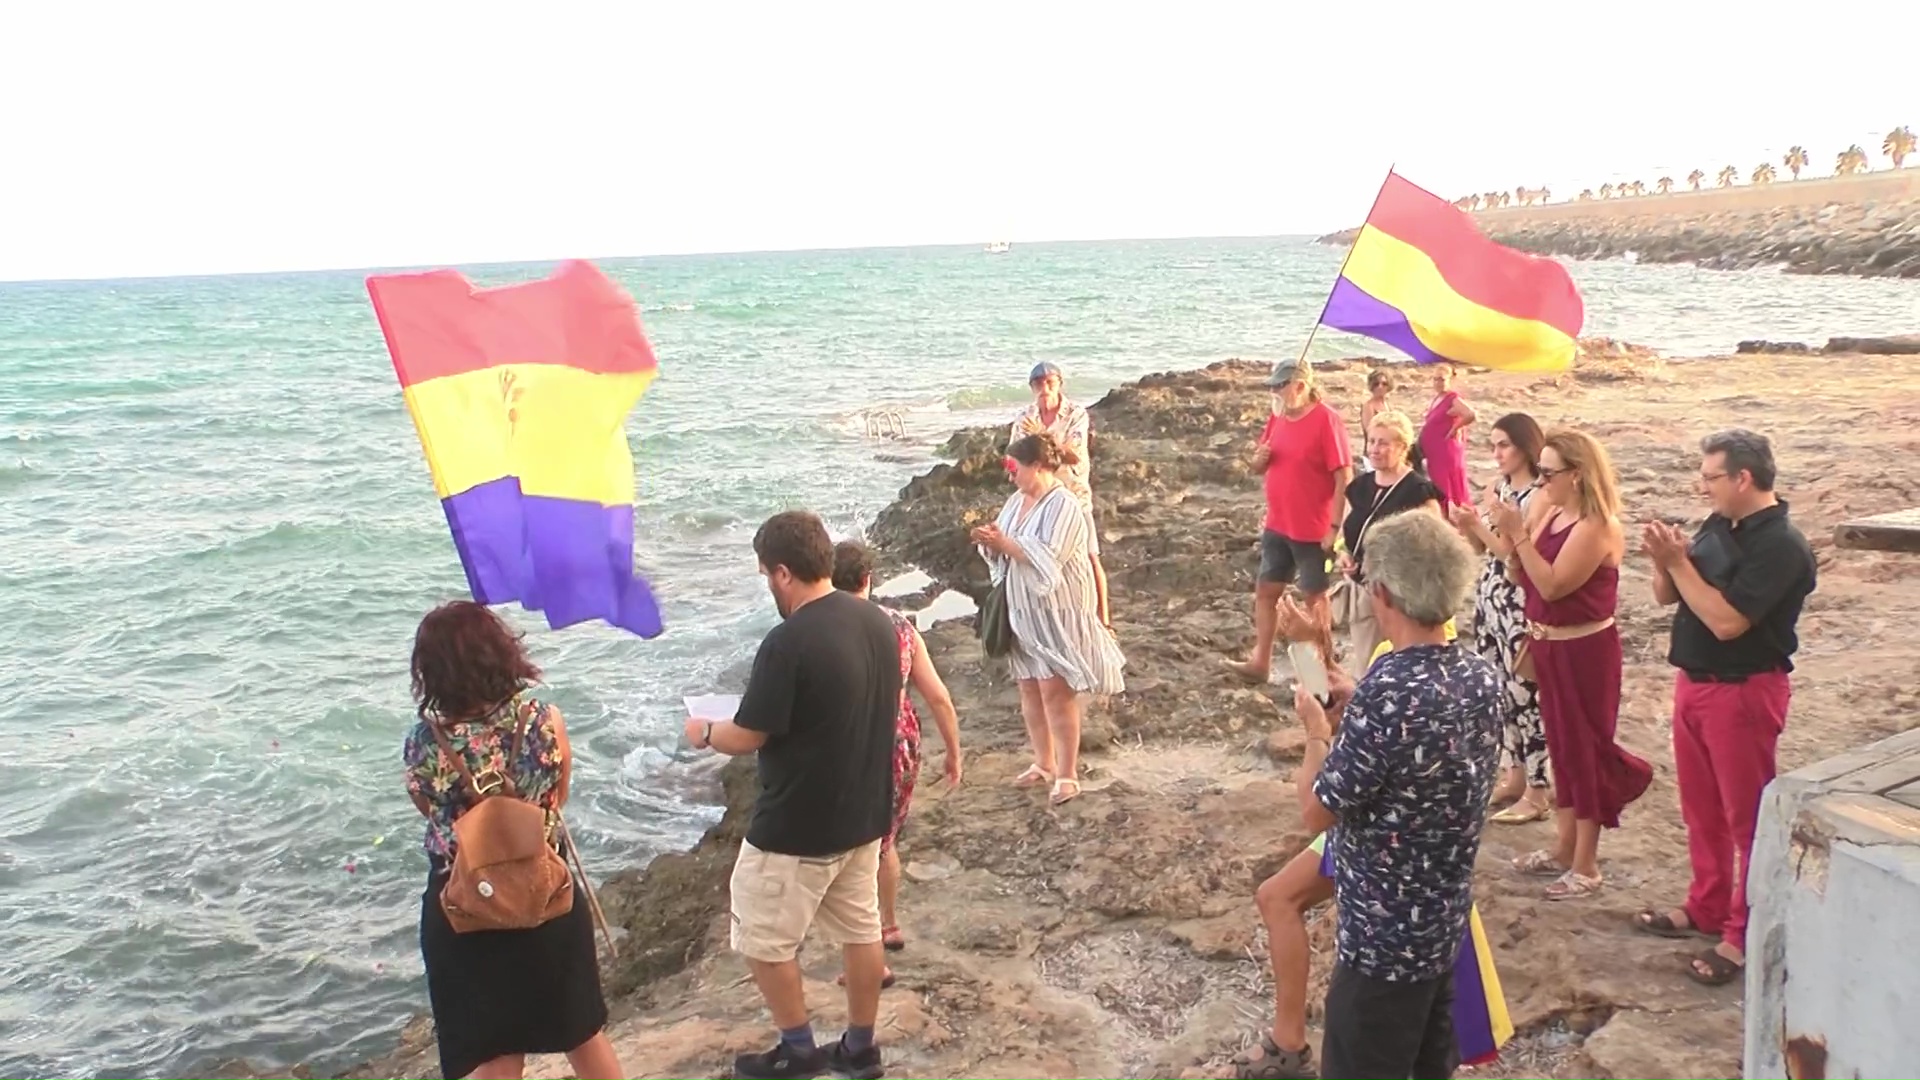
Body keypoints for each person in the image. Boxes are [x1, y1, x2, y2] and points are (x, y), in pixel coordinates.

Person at [1239, 605, 1513, 1080]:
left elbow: (1325, 790)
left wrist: (1315, 734)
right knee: (1277, 896)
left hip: (1383, 834)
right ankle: (1288, 1039)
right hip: (1396, 825)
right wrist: (1309, 648)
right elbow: (1351, 706)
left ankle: (1289, 1042)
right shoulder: (1446, 660)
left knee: (1280, 897)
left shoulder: (1402, 659)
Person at [683, 510, 900, 1080]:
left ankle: (798, 1048)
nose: (768, 588)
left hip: (799, 825)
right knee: (862, 931)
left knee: (761, 935)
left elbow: (748, 734)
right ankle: (859, 1047)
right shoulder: (877, 622)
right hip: (864, 814)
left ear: (783, 573)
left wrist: (705, 731)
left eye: (765, 576)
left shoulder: (788, 642)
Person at [1294, 510, 1504, 1079]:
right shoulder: (1481, 679)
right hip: (1443, 928)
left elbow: (1315, 810)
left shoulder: (1387, 694)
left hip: (1380, 944)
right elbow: (1423, 744)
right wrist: (1357, 700)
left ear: (1383, 593)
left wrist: (1318, 729)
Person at [402, 601, 624, 1080]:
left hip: (465, 907)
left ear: (431, 672)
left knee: (494, 1054)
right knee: (582, 1033)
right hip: (545, 893)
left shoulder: (425, 742)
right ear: (501, 654)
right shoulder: (544, 719)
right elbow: (557, 796)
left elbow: (431, 812)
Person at [1636, 430, 1815, 987]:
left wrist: (1679, 565)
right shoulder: (1720, 525)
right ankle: (1707, 906)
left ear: (1743, 478)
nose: (1703, 484)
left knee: (1747, 820)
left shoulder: (1780, 544)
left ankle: (1741, 934)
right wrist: (1664, 563)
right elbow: (1671, 598)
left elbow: (1727, 621)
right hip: (1695, 681)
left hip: (1743, 690)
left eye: (1711, 476)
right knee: (1702, 811)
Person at [1494, 431, 1652, 901]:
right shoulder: (1552, 511)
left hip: (1585, 650)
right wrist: (1510, 533)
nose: (1541, 481)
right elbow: (1518, 572)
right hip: (1548, 645)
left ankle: (1586, 864)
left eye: (1548, 473)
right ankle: (1564, 847)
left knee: (1585, 751)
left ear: (1577, 475)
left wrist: (1520, 533)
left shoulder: (1597, 525)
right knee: (1561, 748)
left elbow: (1555, 586)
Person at [830, 540, 965, 981]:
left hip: (852, 746)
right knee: (885, 841)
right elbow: (939, 698)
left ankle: (865, 955)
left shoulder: (824, 630)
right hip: (900, 743)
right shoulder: (901, 628)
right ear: (869, 580)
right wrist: (953, 753)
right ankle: (888, 924)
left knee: (854, 852)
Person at [972, 432, 1125, 806]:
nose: (1011, 476)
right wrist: (988, 540)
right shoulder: (1015, 501)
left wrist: (1006, 544)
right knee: (1029, 687)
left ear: (1038, 466)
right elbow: (1005, 546)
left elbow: (1049, 559)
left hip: (1058, 611)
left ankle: (1068, 773)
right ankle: (1043, 763)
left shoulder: (1065, 506)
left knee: (1056, 693)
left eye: (1015, 468)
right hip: (1022, 611)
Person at [1451, 413, 1552, 824]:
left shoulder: (1540, 495)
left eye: (1504, 445)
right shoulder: (1496, 487)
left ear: (1525, 447)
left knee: (1526, 693)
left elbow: (1514, 556)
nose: (1496, 454)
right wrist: (1468, 526)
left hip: (1518, 600)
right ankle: (1512, 773)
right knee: (1498, 690)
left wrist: (1481, 526)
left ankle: (1538, 787)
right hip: (1489, 597)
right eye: (1492, 445)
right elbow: (1481, 549)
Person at [1232, 358, 1353, 682]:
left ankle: (1326, 668)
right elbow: (1262, 462)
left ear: (1300, 386)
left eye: (1279, 385)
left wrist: (1334, 526)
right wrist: (1257, 461)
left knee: (1316, 598)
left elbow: (1344, 476)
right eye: (1272, 385)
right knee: (1266, 591)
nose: (1274, 391)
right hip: (1278, 524)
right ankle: (1261, 662)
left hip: (1314, 529)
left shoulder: (1327, 421)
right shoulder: (1278, 417)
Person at [1337, 409, 1442, 675]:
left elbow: (1435, 544)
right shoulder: (1359, 487)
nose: (1375, 449)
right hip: (1363, 591)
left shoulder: (1419, 490)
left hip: (1401, 596)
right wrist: (1343, 555)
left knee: (1404, 665)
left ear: (1403, 447)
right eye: (1371, 441)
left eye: (1383, 443)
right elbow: (1344, 534)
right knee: (1367, 666)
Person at [1010, 361, 1111, 628]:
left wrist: (1041, 436)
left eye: (1049, 382)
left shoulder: (1075, 414)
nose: (1044, 388)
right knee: (1040, 557)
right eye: (1039, 384)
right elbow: (1016, 455)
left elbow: (1073, 454)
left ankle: (1105, 621)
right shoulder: (1024, 418)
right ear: (1032, 388)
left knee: (1089, 557)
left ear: (1059, 384)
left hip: (1074, 495)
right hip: (1038, 498)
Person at [1418, 363, 1476, 510]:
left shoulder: (1452, 398)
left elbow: (1470, 414)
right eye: (1435, 379)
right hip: (1435, 452)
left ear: (1450, 380)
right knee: (1438, 484)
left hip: (1445, 451)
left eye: (1442, 379)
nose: (1438, 383)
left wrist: (1456, 428)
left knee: (1446, 487)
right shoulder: (1438, 398)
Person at [1356, 368, 1394, 474]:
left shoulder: (1387, 405)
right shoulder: (1369, 406)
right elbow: (1369, 431)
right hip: (1373, 454)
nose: (1380, 387)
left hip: (1387, 453)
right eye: (1376, 384)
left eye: (1384, 383)